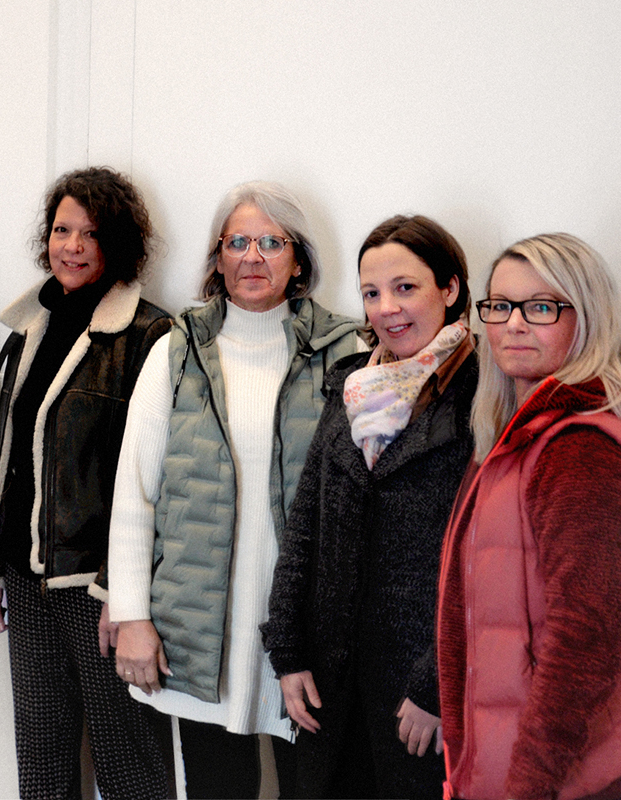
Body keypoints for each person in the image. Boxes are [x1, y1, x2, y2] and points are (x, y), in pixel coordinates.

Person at [108, 181, 362, 798]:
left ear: (297, 259)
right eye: (238, 242)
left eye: (272, 243)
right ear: (217, 258)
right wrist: (132, 615)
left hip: (304, 629)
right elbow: (135, 496)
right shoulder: (175, 352)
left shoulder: (344, 354)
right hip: (197, 630)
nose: (254, 256)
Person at [0, 167, 173, 799]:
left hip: (97, 584)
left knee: (126, 753)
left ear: (120, 244)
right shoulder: (31, 324)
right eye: (61, 230)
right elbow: (6, 457)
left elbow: (147, 475)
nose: (72, 246)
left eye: (90, 233)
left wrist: (122, 591)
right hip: (28, 579)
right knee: (43, 747)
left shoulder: (147, 334)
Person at [261, 215, 476, 799]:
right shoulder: (351, 385)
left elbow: (479, 563)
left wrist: (437, 685)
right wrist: (287, 651)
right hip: (331, 683)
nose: (387, 308)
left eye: (406, 287)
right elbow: (305, 527)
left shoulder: (482, 394)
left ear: (450, 289)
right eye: (371, 293)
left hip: (416, 694)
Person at [437, 233, 621, 800]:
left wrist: (529, 785)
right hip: (507, 763)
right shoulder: (515, 437)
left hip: (559, 779)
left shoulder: (578, 449)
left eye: (540, 307)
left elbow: (586, 640)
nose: (513, 324)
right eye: (499, 306)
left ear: (585, 317)